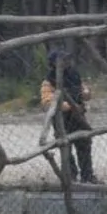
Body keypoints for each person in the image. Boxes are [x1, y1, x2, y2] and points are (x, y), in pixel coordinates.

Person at [39, 49, 96, 183]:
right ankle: (71, 176)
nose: (67, 62)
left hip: (78, 118)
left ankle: (87, 176)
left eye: (67, 59)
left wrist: (86, 93)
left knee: (84, 144)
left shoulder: (74, 74)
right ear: (54, 63)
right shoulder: (49, 80)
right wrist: (69, 105)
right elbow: (47, 101)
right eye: (63, 60)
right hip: (62, 120)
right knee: (66, 148)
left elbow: (84, 92)